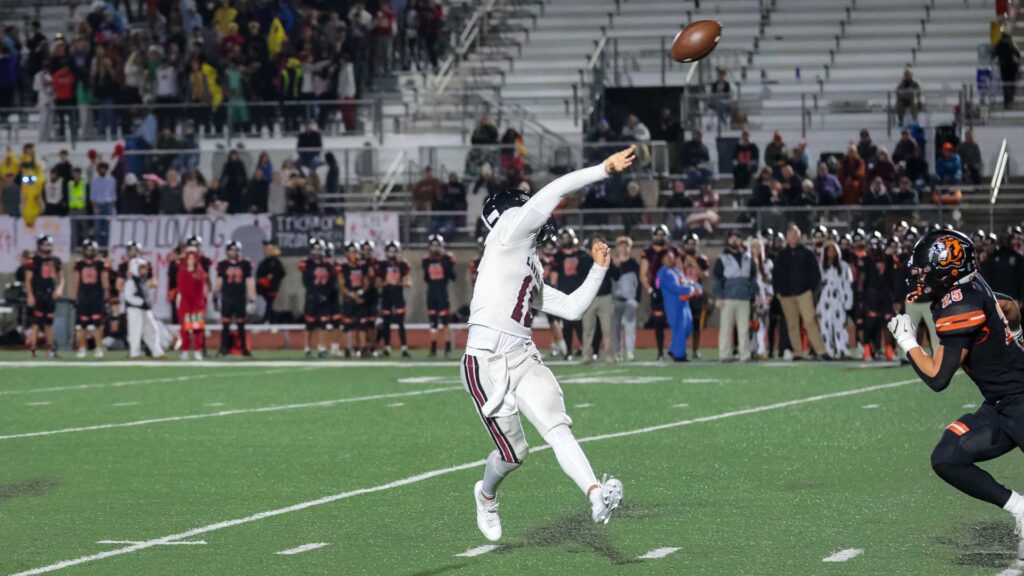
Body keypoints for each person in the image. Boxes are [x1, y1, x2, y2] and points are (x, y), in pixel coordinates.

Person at [465, 145, 633, 543]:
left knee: (557, 427)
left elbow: (571, 308)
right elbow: (555, 189)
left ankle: (595, 494)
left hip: (523, 355)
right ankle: (485, 495)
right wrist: (603, 169)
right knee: (514, 454)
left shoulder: (528, 261)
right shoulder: (508, 232)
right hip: (486, 359)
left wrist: (598, 271)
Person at [887, 228, 1024, 556]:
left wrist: (907, 340)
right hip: (999, 406)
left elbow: (938, 377)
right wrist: (1015, 332)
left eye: (924, 271)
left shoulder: (960, 304)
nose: (919, 278)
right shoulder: (971, 286)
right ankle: (1020, 508)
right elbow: (1009, 306)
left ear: (947, 268)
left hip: (1020, 403)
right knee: (947, 457)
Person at [773, 224, 828, 360]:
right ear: (787, 237)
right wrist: (778, 292)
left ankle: (820, 351)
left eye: (795, 234)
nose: (792, 237)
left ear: (799, 236)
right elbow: (776, 274)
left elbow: (815, 274)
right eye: (790, 234)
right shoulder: (782, 255)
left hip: (804, 294)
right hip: (786, 296)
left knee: (810, 321)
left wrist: (811, 290)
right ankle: (798, 352)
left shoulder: (807, 253)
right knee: (792, 325)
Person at [713, 231, 755, 362]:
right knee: (726, 328)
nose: (734, 240)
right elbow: (717, 279)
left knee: (744, 329)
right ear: (728, 240)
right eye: (732, 238)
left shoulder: (747, 258)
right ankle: (725, 354)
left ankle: (745, 355)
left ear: (741, 240)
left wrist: (754, 294)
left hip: (744, 298)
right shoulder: (722, 258)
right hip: (727, 298)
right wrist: (718, 296)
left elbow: (752, 279)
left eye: (737, 238)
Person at [550, 228, 587, 360]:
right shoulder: (558, 256)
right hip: (565, 293)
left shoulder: (582, 254)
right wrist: (554, 291)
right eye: (563, 238)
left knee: (579, 323)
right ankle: (569, 351)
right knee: (567, 324)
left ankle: (584, 347)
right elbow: (554, 276)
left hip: (578, 293)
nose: (565, 240)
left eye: (567, 238)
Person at [25, 235, 64, 358]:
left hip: (50, 293)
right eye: (44, 245)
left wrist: (59, 288)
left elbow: (61, 278)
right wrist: (30, 295)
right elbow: (28, 280)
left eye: (48, 245)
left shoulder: (55, 260)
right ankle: (33, 349)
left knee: (49, 322)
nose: (47, 247)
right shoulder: (33, 260)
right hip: (38, 293)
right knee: (36, 322)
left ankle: (50, 349)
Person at [640, 224, 674, 361]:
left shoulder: (672, 250)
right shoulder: (648, 252)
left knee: (675, 320)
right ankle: (660, 351)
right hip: (657, 290)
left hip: (672, 289)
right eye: (657, 234)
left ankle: (674, 349)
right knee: (659, 321)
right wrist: (649, 289)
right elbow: (643, 274)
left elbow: (679, 269)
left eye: (662, 235)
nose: (660, 237)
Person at [215, 241, 255, 356]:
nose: (233, 252)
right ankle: (223, 348)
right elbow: (219, 281)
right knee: (225, 324)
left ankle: (244, 348)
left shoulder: (245, 264)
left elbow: (249, 282)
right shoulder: (223, 264)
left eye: (235, 250)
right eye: (231, 250)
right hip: (227, 297)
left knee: (241, 324)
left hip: (239, 297)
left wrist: (251, 299)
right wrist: (215, 295)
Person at [580, 233, 614, 364]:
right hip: (590, 298)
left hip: (605, 297)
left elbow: (615, 275)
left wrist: (612, 262)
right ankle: (586, 355)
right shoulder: (585, 260)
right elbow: (581, 275)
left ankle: (610, 356)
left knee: (607, 329)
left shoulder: (607, 259)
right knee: (588, 329)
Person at [816, 240, 854, 359]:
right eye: (828, 251)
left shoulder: (844, 266)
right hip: (825, 300)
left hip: (838, 299)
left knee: (840, 325)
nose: (831, 253)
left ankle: (842, 349)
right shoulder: (820, 267)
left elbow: (847, 284)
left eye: (833, 250)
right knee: (825, 325)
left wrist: (848, 301)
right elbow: (817, 285)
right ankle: (828, 350)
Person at [300, 239, 337, 358]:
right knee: (309, 324)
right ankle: (307, 348)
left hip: (324, 298)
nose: (317, 252)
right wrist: (313, 294)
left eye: (319, 249)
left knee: (323, 324)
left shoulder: (328, 265)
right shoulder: (307, 264)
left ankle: (322, 347)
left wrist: (326, 294)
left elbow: (332, 282)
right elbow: (305, 281)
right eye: (315, 249)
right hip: (312, 297)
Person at [73, 239, 109, 358]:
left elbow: (104, 280)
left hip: (97, 296)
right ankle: (82, 347)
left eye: (92, 250)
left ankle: (98, 348)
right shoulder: (79, 264)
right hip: (84, 296)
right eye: (88, 249)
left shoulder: (100, 264)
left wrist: (107, 295)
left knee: (97, 324)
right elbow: (76, 281)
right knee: (82, 324)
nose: (90, 252)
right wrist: (75, 296)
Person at [123, 258, 165, 359]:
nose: (144, 270)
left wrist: (146, 303)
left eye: (144, 268)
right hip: (135, 310)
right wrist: (141, 302)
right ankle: (135, 353)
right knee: (135, 331)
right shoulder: (131, 282)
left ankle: (157, 352)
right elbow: (128, 296)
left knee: (152, 330)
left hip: (145, 310)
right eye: (141, 268)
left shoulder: (142, 280)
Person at [423, 233, 456, 358]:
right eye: (433, 245)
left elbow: (453, 276)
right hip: (431, 294)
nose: (435, 247)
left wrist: (446, 263)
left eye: (437, 245)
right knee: (433, 323)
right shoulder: (426, 261)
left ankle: (447, 348)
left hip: (442, 293)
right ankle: (433, 349)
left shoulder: (446, 259)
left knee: (445, 321)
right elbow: (427, 278)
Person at [378, 240, 412, 358]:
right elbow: (377, 283)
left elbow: (408, 282)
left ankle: (404, 347)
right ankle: (387, 347)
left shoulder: (403, 265)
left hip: (398, 296)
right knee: (386, 322)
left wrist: (398, 283)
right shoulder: (382, 265)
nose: (392, 253)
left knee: (400, 323)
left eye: (394, 251)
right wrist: (387, 282)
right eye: (390, 251)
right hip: (386, 296)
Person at [610, 236, 640, 362]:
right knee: (615, 328)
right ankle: (618, 352)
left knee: (630, 327)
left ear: (629, 248)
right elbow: (614, 279)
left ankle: (630, 352)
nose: (623, 248)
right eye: (621, 246)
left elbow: (638, 282)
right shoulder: (612, 263)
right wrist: (617, 266)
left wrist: (637, 299)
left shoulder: (633, 263)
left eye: (626, 246)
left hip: (630, 299)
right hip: (616, 299)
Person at [176, 242, 209, 361]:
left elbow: (201, 289)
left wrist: (200, 304)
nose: (191, 260)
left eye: (193, 257)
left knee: (197, 329)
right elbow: (181, 288)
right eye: (189, 257)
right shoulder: (182, 271)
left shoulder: (200, 272)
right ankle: (184, 350)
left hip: (197, 304)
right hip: (185, 304)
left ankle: (197, 350)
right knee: (185, 328)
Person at [749, 236, 774, 359]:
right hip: (750, 298)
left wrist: (769, 295)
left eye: (759, 247)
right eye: (754, 247)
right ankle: (751, 349)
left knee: (761, 324)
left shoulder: (767, 263)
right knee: (750, 325)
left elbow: (770, 281)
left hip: (763, 299)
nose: (757, 249)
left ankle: (761, 349)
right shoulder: (747, 263)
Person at [256, 241, 286, 323]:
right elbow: (259, 276)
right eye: (264, 249)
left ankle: (269, 320)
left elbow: (282, 273)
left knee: (271, 305)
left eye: (267, 249)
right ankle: (266, 320)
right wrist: (261, 281)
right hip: (263, 289)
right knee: (266, 305)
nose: (265, 251)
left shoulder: (275, 262)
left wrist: (272, 276)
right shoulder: (263, 262)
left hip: (272, 288)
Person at [992, 31, 1021, 109]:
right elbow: (1018, 55)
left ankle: (1007, 102)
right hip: (1012, 67)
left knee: (1005, 84)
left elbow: (993, 55)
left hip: (1004, 67)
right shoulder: (1011, 44)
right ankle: (1010, 100)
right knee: (1011, 84)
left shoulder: (999, 45)